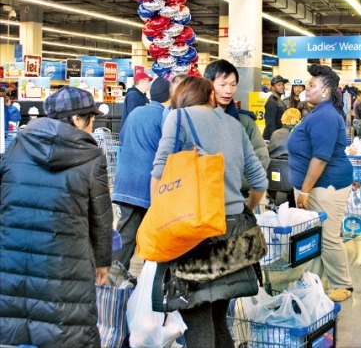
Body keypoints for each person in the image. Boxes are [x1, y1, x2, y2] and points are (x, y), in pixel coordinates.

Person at [150, 76, 268, 348]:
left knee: (197, 321)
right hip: (234, 236)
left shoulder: (177, 119)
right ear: (212, 97)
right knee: (218, 319)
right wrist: (243, 209)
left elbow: (158, 172)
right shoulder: (235, 125)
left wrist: (158, 219)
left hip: (195, 236)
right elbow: (259, 182)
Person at [0, 87, 113, 347]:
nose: (92, 125)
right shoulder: (92, 157)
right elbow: (101, 217)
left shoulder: (18, 145)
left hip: (14, 257)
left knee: (17, 322)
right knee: (63, 328)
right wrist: (102, 261)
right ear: (76, 119)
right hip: (66, 262)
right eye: (90, 118)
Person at [287, 64, 354, 302]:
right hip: (317, 185)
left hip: (327, 186)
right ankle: (312, 283)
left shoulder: (325, 116)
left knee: (328, 236)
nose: (306, 88)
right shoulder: (318, 112)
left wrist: (305, 190)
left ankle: (342, 284)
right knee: (316, 235)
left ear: (326, 91)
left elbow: (320, 157)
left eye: (312, 85)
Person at [111, 77, 171, 270]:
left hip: (126, 181)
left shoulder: (136, 112)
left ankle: (113, 278)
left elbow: (122, 137)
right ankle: (149, 282)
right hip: (149, 185)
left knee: (125, 234)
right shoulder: (166, 117)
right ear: (170, 97)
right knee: (153, 234)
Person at [203, 60, 270, 175]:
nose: (229, 91)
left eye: (233, 85)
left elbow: (261, 157)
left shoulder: (245, 121)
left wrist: (234, 183)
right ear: (208, 85)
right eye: (222, 85)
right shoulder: (194, 119)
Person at [263, 74, 288, 140]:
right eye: (279, 85)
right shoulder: (272, 102)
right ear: (273, 87)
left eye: (283, 84)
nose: (282, 87)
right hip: (272, 138)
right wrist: (275, 139)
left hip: (279, 136)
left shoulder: (279, 101)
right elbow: (271, 124)